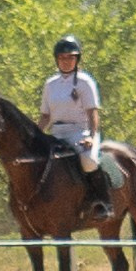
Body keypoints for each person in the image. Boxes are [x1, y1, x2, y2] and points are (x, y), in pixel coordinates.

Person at [39, 35, 111, 223]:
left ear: (77, 59)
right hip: (56, 133)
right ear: (56, 59)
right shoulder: (50, 85)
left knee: (88, 160)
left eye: (70, 57)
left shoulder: (85, 82)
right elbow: (46, 115)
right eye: (62, 57)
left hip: (80, 132)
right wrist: (35, 135)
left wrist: (92, 137)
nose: (66, 61)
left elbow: (92, 113)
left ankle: (102, 202)